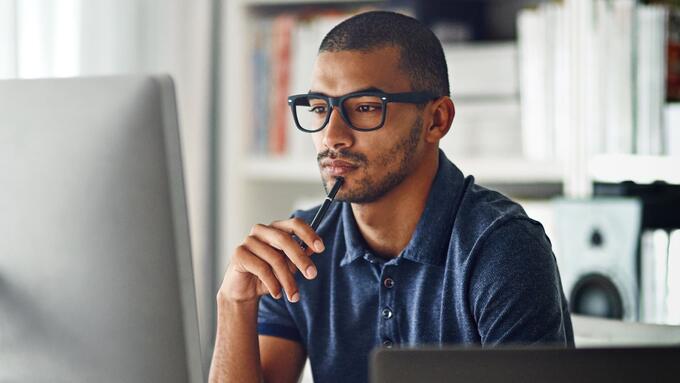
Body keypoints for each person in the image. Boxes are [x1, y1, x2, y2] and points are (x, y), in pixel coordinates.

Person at [209, 10, 574, 383]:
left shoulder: (503, 248)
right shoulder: (300, 250)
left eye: (366, 107)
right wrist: (233, 303)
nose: (332, 135)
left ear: (437, 120)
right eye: (320, 108)